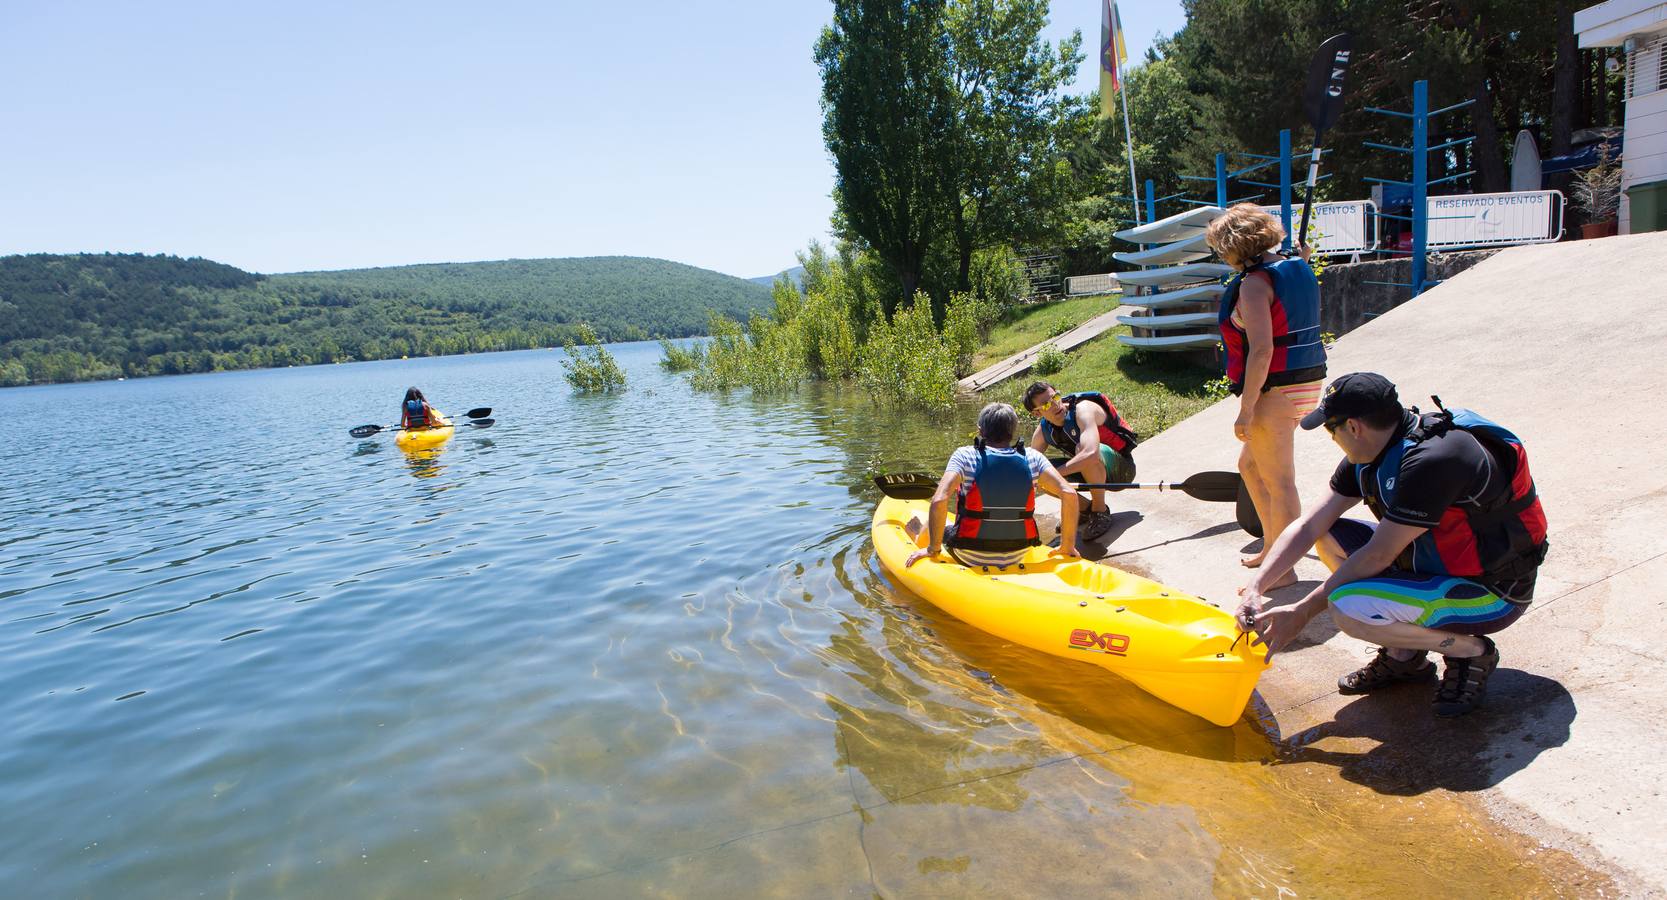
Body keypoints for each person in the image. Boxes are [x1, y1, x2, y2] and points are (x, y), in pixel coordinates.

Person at [1236, 373, 1550, 717]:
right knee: (1327, 533)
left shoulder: (1433, 461)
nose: (1332, 438)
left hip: (1491, 592)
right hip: (1437, 566)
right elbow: (1311, 524)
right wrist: (1256, 586)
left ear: (1354, 427)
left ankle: (1469, 650)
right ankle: (1404, 657)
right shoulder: (1377, 449)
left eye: (1331, 430)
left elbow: (1378, 554)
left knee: (1347, 607)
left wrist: (1302, 612)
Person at [1206, 203, 1330, 584]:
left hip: (1275, 390)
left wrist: (1246, 409)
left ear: (1235, 246)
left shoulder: (1255, 284)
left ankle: (1283, 569)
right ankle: (1273, 546)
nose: (1221, 256)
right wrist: (1301, 255)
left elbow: (1261, 350)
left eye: (1221, 248)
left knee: (1280, 482)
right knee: (1249, 467)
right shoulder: (1298, 265)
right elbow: (1295, 266)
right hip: (1306, 382)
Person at [905, 402, 1080, 570]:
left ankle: (926, 551)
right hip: (1018, 553)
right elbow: (1069, 493)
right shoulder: (1033, 457)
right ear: (1012, 430)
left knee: (931, 521)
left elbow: (939, 499)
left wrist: (933, 549)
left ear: (980, 430)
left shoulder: (965, 455)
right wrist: (1067, 546)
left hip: (969, 554)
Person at [1021, 381, 1138, 541]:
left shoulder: (1083, 410)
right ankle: (1084, 510)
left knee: (1081, 451)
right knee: (1037, 471)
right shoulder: (1043, 431)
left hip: (1121, 471)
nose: (1055, 404)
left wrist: (1054, 474)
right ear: (1037, 413)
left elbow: (1090, 454)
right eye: (1046, 404)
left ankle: (1100, 512)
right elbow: (1028, 466)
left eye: (1055, 397)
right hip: (1092, 472)